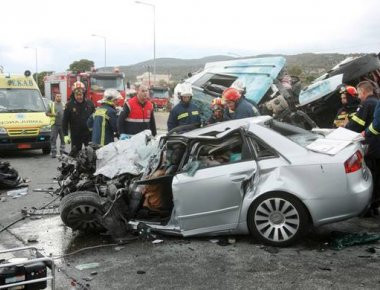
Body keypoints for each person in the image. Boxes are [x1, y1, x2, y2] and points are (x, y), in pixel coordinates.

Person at [353, 81, 380, 214]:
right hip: (377, 146)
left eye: (358, 93)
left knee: (371, 175)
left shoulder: (367, 104)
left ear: (363, 92)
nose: (358, 96)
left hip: (372, 146)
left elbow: (356, 124)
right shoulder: (376, 102)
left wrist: (341, 131)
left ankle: (371, 206)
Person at [62, 81, 95, 156]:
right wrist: (65, 135)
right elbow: (65, 121)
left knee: (91, 154)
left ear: (84, 94)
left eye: (80, 95)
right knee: (75, 155)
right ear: (74, 94)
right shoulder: (69, 105)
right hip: (75, 135)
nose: (79, 97)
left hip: (88, 134)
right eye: (77, 95)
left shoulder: (90, 103)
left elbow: (94, 118)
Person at [45, 93, 65, 158]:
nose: (59, 97)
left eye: (60, 96)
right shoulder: (51, 104)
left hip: (62, 125)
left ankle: (62, 153)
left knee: (63, 139)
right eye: (57, 96)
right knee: (53, 139)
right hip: (54, 125)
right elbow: (46, 113)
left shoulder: (64, 104)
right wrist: (54, 115)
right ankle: (53, 152)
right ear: (55, 97)